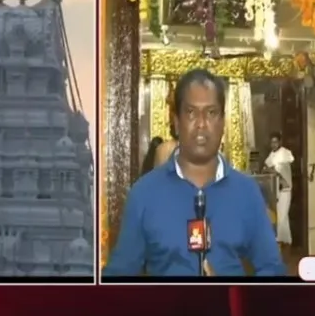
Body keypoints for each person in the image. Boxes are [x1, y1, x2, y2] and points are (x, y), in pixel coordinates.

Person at [103, 68, 285, 277]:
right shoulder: (144, 194)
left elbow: (273, 269)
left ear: (223, 123)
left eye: (211, 113)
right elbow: (118, 276)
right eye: (191, 112)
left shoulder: (247, 192)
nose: (201, 123)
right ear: (177, 122)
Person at [265, 132, 294, 248]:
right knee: (280, 215)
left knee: (282, 215)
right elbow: (267, 167)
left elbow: (279, 170)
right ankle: (286, 240)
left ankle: (280, 239)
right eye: (272, 142)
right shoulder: (271, 155)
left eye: (276, 142)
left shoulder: (285, 153)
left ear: (280, 142)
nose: (273, 144)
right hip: (276, 189)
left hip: (285, 189)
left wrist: (272, 170)